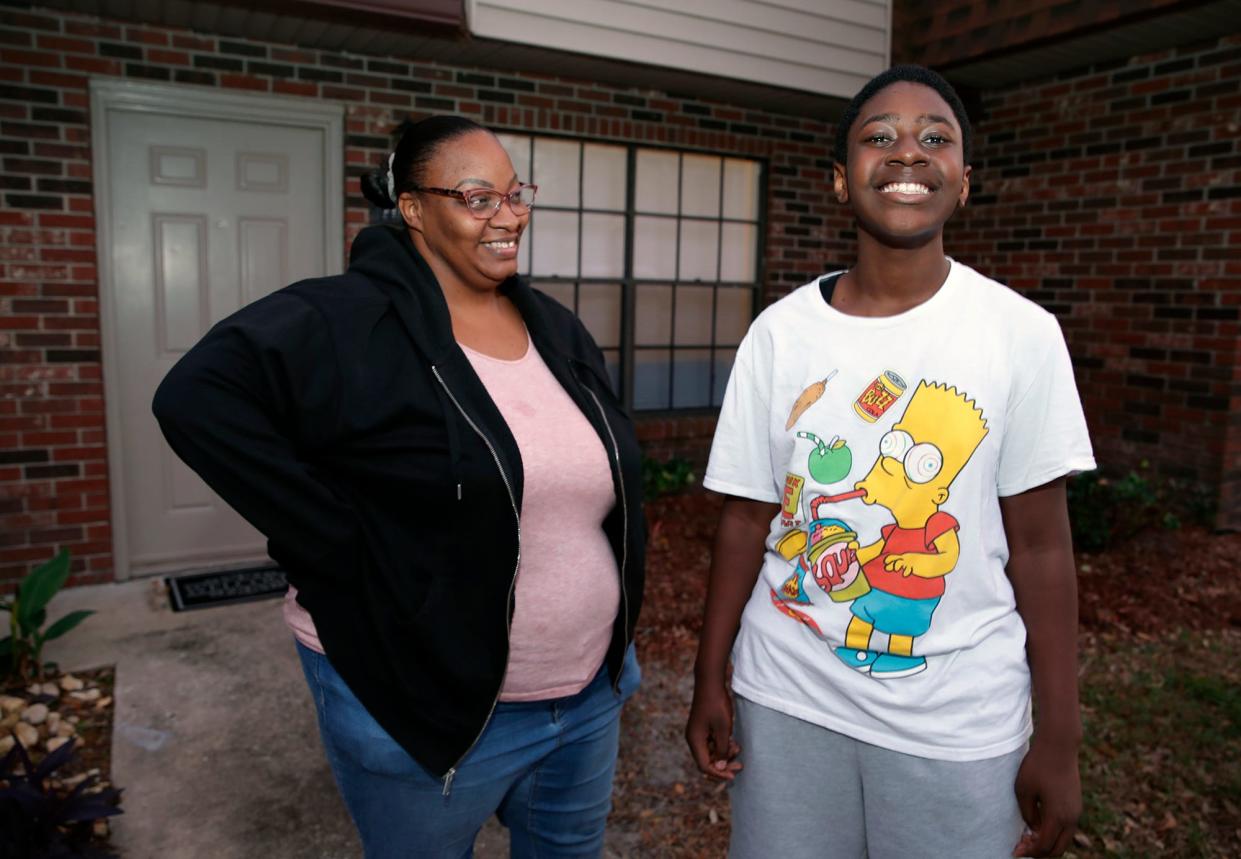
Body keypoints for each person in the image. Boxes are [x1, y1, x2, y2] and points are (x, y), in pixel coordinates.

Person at [153, 115, 645, 858]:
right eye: (476, 197)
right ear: (412, 207)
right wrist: (330, 534)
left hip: (584, 692)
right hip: (419, 700)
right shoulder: (345, 319)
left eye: (515, 193)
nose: (507, 214)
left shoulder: (553, 327)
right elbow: (195, 398)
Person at [685, 65, 1095, 859]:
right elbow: (744, 517)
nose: (907, 153)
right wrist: (710, 675)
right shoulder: (779, 333)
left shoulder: (1019, 333)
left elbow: (1042, 547)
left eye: (934, 138)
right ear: (840, 181)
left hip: (957, 722)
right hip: (786, 694)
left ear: (964, 182)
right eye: (878, 137)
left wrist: (1061, 735)